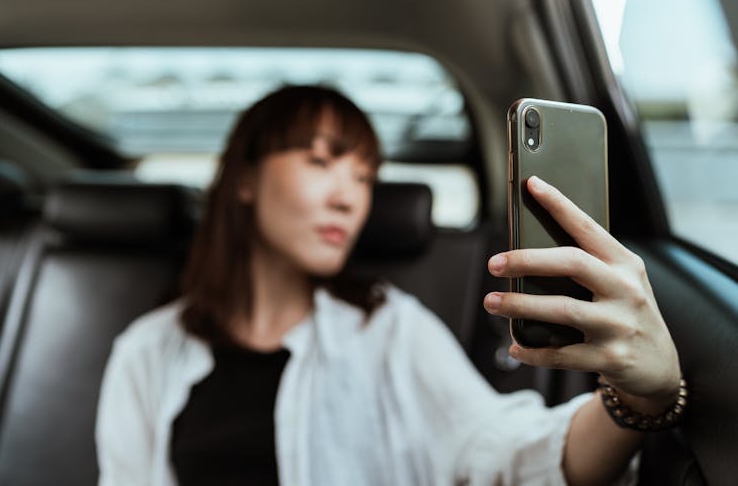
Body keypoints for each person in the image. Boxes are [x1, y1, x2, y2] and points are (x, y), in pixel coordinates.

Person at [95, 85, 683, 486]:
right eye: (321, 162)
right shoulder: (147, 352)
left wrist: (638, 401)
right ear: (246, 179)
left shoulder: (389, 329)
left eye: (365, 177)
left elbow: (505, 453)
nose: (349, 197)